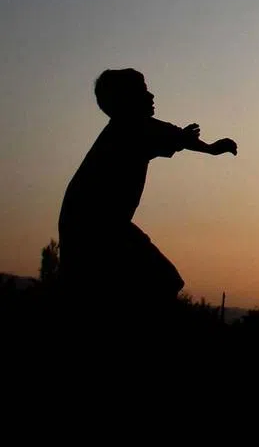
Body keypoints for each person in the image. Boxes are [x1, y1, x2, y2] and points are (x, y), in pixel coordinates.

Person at [58, 69, 237, 322]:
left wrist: (204, 147)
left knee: (145, 284)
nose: (151, 95)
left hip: (96, 226)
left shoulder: (130, 128)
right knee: (161, 281)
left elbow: (175, 136)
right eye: (142, 90)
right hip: (96, 227)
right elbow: (175, 136)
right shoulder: (131, 128)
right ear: (125, 99)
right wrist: (208, 148)